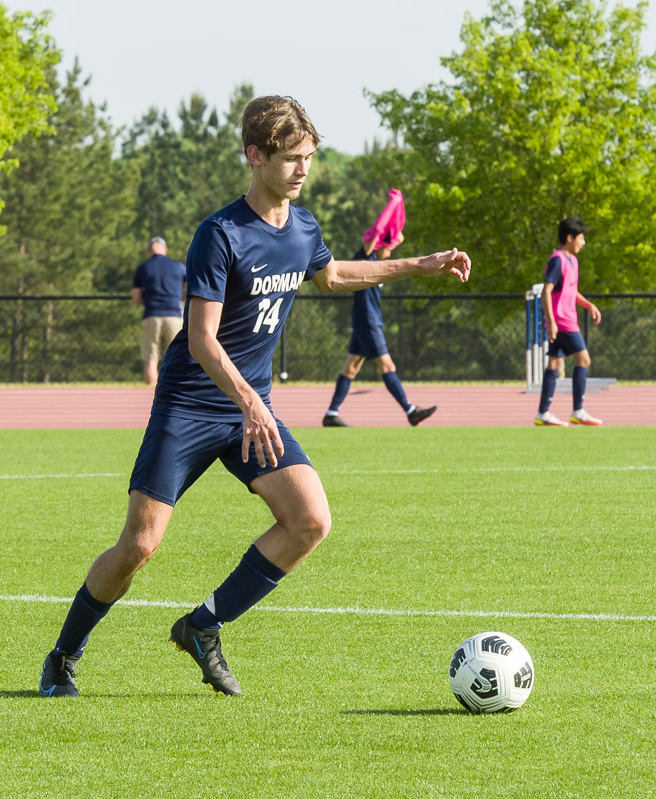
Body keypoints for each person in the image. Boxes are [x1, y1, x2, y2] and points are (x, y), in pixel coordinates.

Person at [38, 95, 471, 698]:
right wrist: (249, 400)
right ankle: (64, 655)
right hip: (193, 405)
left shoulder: (303, 227)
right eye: (292, 158)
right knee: (140, 545)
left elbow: (335, 275)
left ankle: (203, 626)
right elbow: (201, 338)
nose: (303, 169)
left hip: (249, 410)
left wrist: (417, 265)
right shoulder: (219, 234)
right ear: (254, 155)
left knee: (309, 520)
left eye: (309, 158)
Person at [322, 190, 437, 428]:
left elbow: (400, 236)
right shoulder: (365, 257)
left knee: (351, 367)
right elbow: (375, 234)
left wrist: (399, 207)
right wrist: (392, 204)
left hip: (365, 320)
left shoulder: (380, 260)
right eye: (389, 246)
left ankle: (331, 413)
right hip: (368, 321)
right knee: (388, 366)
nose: (392, 249)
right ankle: (410, 410)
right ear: (379, 245)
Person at [534, 217, 603, 426]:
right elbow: (546, 291)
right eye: (581, 239)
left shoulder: (573, 261)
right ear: (570, 238)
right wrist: (552, 321)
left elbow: (571, 292)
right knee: (584, 360)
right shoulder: (558, 259)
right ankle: (578, 410)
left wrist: (589, 305)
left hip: (566, 319)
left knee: (554, 363)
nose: (583, 243)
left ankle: (543, 413)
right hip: (563, 322)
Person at [132, 237, 187, 386]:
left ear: (150, 251)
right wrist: (181, 298)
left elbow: (136, 298)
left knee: (151, 361)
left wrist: (150, 301)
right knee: (177, 360)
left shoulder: (143, 268)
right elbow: (193, 288)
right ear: (165, 249)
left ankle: (152, 398)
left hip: (151, 316)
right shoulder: (178, 266)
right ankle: (177, 395)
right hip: (174, 317)